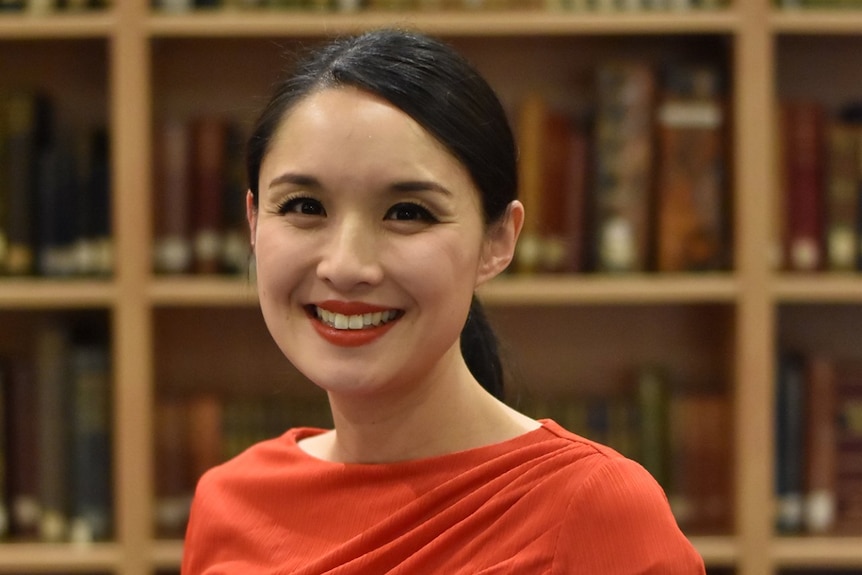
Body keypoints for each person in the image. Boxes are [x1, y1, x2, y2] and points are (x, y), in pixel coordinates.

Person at [181, 28, 706, 575]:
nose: (346, 266)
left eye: (408, 212)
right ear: (252, 221)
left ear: (498, 240)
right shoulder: (228, 502)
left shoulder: (595, 511)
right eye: (304, 205)